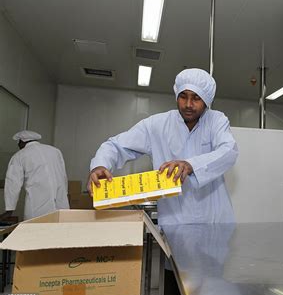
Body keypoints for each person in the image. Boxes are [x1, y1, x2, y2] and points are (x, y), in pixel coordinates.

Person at [88, 68, 238, 225]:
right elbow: (116, 146)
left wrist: (190, 165)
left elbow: (229, 151)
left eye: (196, 98)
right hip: (176, 221)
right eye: (183, 96)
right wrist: (100, 165)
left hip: (215, 219)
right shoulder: (156, 125)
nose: (188, 104)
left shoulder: (216, 121)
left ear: (207, 100)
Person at [1, 130, 70, 221]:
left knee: (37, 231)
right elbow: (63, 176)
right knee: (60, 231)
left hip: (37, 206)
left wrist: (10, 209)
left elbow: (13, 184)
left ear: (22, 141)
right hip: (61, 204)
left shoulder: (20, 155)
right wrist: (64, 194)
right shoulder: (55, 151)